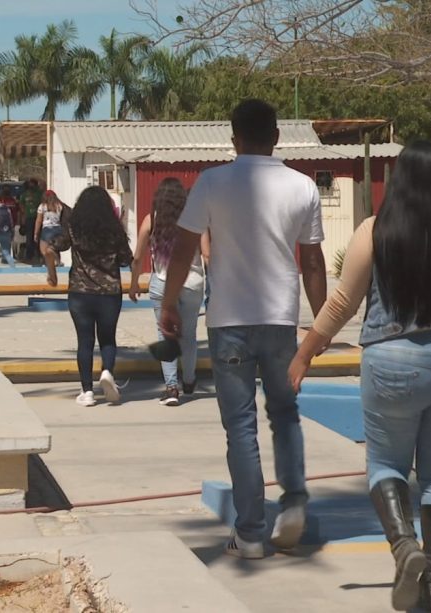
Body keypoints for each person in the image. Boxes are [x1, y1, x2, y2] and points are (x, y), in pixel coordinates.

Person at [290, 141, 431, 611]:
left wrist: (303, 355)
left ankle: (406, 549)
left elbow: (342, 302)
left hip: (393, 361)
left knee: (385, 467)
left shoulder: (376, 230)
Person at [159, 99, 327, 559]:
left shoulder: (212, 182)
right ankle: (293, 503)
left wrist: (170, 303)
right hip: (280, 321)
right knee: (286, 415)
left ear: (234, 139)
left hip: (228, 320)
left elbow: (182, 249)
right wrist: (323, 324)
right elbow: (311, 261)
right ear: (276, 136)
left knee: (240, 428)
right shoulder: (303, 186)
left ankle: (251, 532)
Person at [129, 178, 209, 406]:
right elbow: (206, 255)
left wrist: (134, 284)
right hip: (193, 283)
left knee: (165, 335)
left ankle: (172, 388)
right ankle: (190, 381)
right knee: (190, 336)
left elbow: (137, 257)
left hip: (162, 282)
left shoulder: (151, 220)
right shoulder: (195, 219)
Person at [66, 186, 133, 407]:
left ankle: (87, 392)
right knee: (108, 338)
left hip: (80, 292)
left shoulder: (74, 228)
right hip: (109, 293)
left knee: (84, 341)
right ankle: (107, 372)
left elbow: (54, 245)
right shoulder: (114, 231)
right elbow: (125, 259)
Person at [34, 190, 67, 287]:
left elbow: (39, 220)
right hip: (57, 229)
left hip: (47, 230)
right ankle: (56, 260)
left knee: (44, 252)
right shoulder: (59, 206)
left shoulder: (42, 206)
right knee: (54, 248)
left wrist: (36, 233)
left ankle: (51, 273)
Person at [20, 178, 44, 262]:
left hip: (38, 217)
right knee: (29, 238)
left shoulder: (39, 193)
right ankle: (29, 255)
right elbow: (21, 205)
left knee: (38, 236)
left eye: (32, 184)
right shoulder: (24, 195)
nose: (30, 186)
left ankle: (39, 254)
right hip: (29, 218)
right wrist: (24, 215)